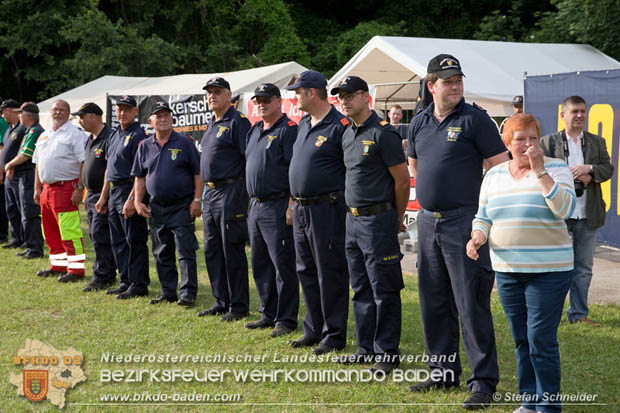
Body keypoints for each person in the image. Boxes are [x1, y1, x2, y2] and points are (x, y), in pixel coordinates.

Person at [407, 54, 508, 410]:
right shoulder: (418, 123)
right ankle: (442, 370)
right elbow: (415, 165)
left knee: (470, 303)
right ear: (431, 85)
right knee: (433, 301)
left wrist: (487, 220)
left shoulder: (475, 120)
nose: (454, 86)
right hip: (428, 221)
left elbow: (501, 170)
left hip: (464, 222)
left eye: (458, 80)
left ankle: (482, 381)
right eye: (447, 81)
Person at [467, 113, 576, 413]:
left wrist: (541, 172)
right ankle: (530, 402)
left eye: (532, 138)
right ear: (507, 144)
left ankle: (549, 407)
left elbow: (564, 209)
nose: (528, 145)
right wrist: (477, 237)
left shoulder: (557, 168)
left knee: (540, 338)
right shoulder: (494, 175)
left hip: (549, 272)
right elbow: (483, 216)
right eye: (520, 139)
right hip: (508, 272)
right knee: (521, 339)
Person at [333, 76, 410, 374]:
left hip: (378, 220)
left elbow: (402, 181)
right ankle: (365, 349)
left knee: (384, 289)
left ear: (366, 97)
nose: (344, 100)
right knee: (361, 288)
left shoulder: (383, 134)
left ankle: (387, 354)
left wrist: (396, 218)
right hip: (352, 220)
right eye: (341, 96)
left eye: (350, 95)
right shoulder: (347, 133)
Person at [285, 70, 350, 355]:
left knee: (329, 272)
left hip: (328, 209)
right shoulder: (303, 124)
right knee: (306, 270)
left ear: (312, 92)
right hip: (300, 208)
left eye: (298, 92)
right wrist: (291, 203)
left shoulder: (340, 125)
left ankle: (334, 334)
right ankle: (313, 328)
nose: (295, 97)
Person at [540, 96, 614, 327]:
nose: (580, 115)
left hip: (587, 214)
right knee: (554, 268)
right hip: (559, 215)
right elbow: (538, 171)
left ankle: (578, 314)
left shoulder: (596, 141)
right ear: (563, 115)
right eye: (575, 111)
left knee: (583, 268)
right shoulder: (548, 143)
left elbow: (608, 168)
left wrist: (589, 171)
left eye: (583, 111)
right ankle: (549, 314)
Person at [133, 101, 202, 306]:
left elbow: (198, 173)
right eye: (158, 116)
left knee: (185, 250)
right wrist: (137, 201)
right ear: (150, 121)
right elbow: (140, 177)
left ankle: (188, 293)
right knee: (161, 251)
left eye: (166, 116)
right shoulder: (145, 145)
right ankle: (168, 291)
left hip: (182, 205)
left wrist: (197, 200)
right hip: (156, 207)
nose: (163, 119)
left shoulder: (184, 142)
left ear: (172, 119)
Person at [244, 83, 299, 337]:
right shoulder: (255, 129)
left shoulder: (288, 130)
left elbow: (294, 171)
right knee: (260, 262)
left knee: (282, 264)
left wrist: (290, 204)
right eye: (258, 100)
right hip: (255, 204)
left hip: (277, 204)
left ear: (279, 101)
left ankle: (286, 319)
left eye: (266, 99)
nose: (261, 104)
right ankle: (268, 312)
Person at [197, 77, 251, 321]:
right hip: (211, 194)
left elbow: (248, 159)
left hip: (231, 191)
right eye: (209, 92)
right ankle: (221, 300)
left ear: (230, 95)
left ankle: (238, 306)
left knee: (232, 250)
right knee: (212, 250)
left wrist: (243, 195)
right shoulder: (211, 122)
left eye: (217, 91)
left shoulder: (237, 122)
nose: (212, 96)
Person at [95, 95, 150, 299]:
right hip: (114, 191)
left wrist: (132, 199)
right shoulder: (114, 134)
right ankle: (125, 280)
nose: (122, 112)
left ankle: (139, 283)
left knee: (134, 239)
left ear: (136, 112)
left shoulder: (139, 135)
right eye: (119, 109)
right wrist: (103, 197)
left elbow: (141, 171)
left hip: (130, 189)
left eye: (127, 109)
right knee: (118, 240)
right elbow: (109, 169)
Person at [32, 100, 87, 281]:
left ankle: (76, 270)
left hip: (66, 188)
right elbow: (38, 164)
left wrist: (79, 188)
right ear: (51, 112)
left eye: (62, 110)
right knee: (50, 231)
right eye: (55, 109)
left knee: (69, 230)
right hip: (47, 190)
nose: (58, 112)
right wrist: (37, 188)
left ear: (68, 113)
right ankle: (58, 265)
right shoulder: (44, 135)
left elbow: (83, 162)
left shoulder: (75, 134)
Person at [73, 103, 118, 292]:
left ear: (93, 116)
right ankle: (104, 272)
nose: (80, 121)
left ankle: (103, 276)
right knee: (94, 234)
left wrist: (103, 196)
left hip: (103, 194)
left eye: (82, 117)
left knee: (101, 235)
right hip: (91, 194)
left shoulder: (109, 137)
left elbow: (110, 169)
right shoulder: (90, 138)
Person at [4, 102, 44, 259]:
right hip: (24, 176)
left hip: (28, 175)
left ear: (28, 115)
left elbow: (26, 155)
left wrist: (9, 164)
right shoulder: (29, 130)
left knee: (30, 213)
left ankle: (34, 249)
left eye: (21, 113)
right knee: (24, 212)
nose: (19, 116)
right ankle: (30, 245)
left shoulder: (35, 130)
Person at [1, 99, 28, 250]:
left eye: (4, 111)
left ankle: (25, 239)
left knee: (21, 207)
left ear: (11, 110)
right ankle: (16, 238)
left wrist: (12, 165)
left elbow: (24, 151)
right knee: (11, 207)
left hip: (19, 173)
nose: (3, 115)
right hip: (8, 175)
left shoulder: (23, 129)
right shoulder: (9, 130)